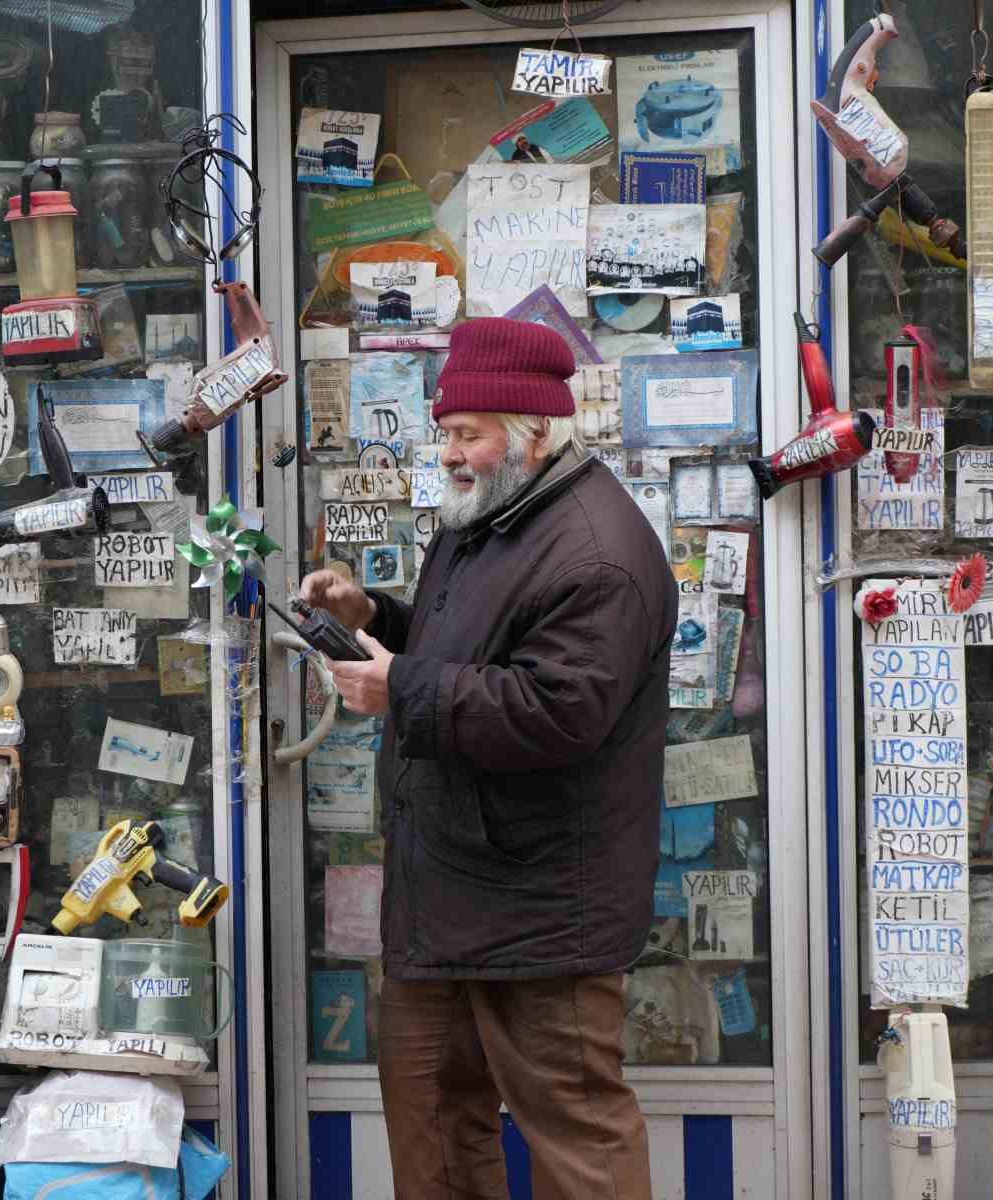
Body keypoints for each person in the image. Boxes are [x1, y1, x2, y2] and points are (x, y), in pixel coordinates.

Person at [300, 317, 676, 1200]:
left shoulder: (595, 551)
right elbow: (471, 646)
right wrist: (371, 618)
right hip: (450, 894)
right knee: (432, 1124)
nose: (450, 453)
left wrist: (404, 690)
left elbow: (558, 709)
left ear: (538, 431)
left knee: (579, 1142)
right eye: (445, 431)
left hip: (543, 913)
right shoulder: (495, 513)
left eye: (469, 433)